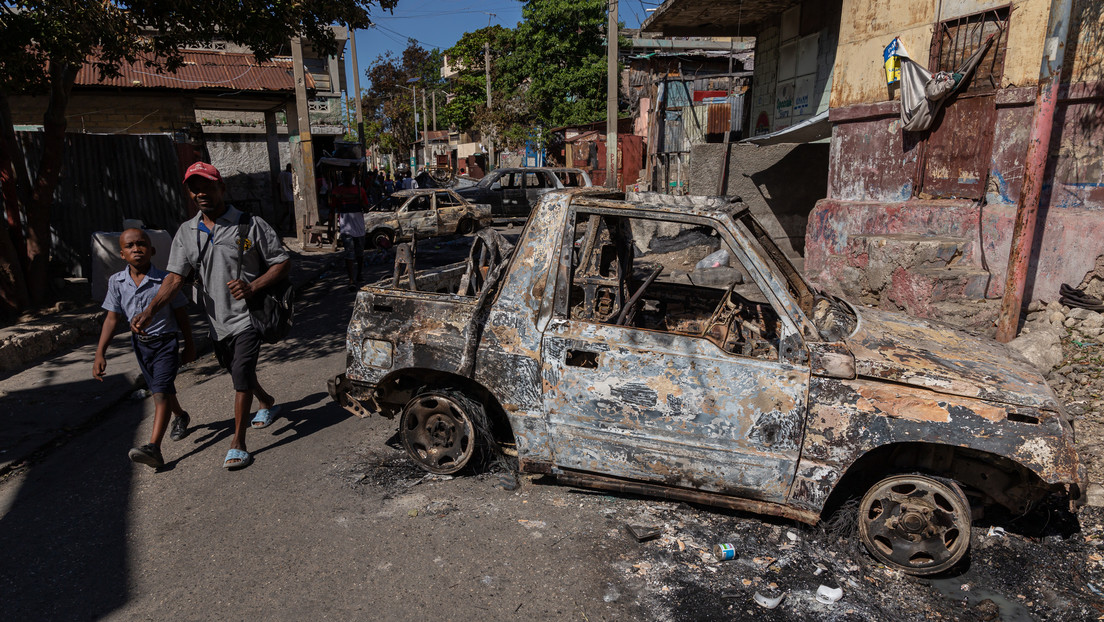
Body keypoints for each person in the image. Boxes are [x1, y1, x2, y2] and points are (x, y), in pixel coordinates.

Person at [131, 162, 290, 470]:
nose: (201, 192)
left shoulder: (249, 224)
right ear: (190, 193)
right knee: (236, 370)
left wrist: (253, 285)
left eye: (207, 186)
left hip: (250, 315)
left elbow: (282, 262)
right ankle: (267, 402)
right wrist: (150, 310)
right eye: (194, 187)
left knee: (241, 373)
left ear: (222, 188)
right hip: (217, 321)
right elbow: (175, 277)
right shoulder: (186, 233)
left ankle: (238, 444)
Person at [93, 228, 196, 469]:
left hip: (166, 343)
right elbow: (111, 319)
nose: (136, 249)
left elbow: (181, 315)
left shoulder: (166, 281)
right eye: (130, 246)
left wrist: (189, 345)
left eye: (141, 244)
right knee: (163, 387)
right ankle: (180, 416)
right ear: (121, 254)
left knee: (159, 392)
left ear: (152, 250)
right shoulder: (117, 282)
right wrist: (100, 353)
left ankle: (154, 448)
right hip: (141, 346)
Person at [330, 170, 368, 291]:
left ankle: (359, 274)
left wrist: (360, 201)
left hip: (359, 226)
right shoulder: (337, 191)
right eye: (345, 176)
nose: (347, 178)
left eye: (349, 175)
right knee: (349, 253)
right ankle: (351, 279)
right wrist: (330, 227)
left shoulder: (360, 190)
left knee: (360, 253)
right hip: (346, 227)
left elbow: (366, 209)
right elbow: (332, 210)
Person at [278, 163, 294, 232]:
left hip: (283, 196)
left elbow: (278, 185)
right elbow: (291, 186)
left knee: (286, 212)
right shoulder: (290, 175)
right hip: (290, 197)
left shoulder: (281, 174)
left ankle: (280, 223)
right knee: (292, 213)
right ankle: (291, 227)